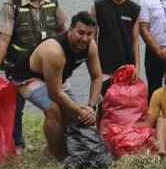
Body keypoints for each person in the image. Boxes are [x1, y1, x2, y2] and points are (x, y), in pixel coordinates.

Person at [0, 0, 68, 151]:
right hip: (18, 68)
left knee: (59, 105)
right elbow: (3, 39)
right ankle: (17, 144)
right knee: (15, 108)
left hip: (47, 68)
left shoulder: (52, 2)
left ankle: (58, 142)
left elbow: (63, 33)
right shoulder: (12, 6)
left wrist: (67, 62)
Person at [7, 11, 104, 160]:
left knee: (72, 114)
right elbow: (54, 93)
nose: (85, 38)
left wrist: (91, 107)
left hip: (57, 76)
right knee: (54, 109)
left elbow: (97, 77)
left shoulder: (91, 46)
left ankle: (56, 145)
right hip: (27, 77)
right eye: (80, 33)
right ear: (70, 30)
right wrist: (81, 111)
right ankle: (57, 155)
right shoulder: (55, 51)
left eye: (89, 34)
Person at [91, 0, 141, 95]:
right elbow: (92, 39)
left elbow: (135, 40)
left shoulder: (134, 9)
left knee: (125, 101)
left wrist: (137, 67)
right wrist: (94, 65)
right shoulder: (98, 6)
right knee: (106, 101)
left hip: (127, 66)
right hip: (104, 66)